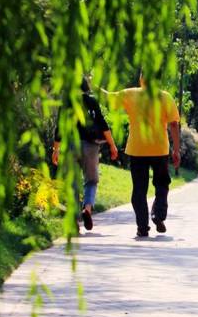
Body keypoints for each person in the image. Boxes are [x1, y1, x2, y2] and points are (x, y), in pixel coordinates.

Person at [102, 72, 180, 237]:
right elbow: (174, 124)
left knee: (139, 189)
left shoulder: (131, 94)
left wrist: (91, 83)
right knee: (162, 184)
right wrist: (177, 150)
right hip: (159, 149)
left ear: (141, 79)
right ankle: (158, 215)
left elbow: (107, 97)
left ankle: (142, 227)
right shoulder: (165, 97)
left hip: (137, 149)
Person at [52, 75, 119, 232]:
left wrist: (56, 150)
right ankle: (87, 209)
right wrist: (112, 145)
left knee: (73, 183)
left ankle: (74, 220)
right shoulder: (92, 101)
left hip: (70, 146)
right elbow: (103, 124)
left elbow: (59, 130)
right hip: (90, 146)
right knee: (91, 180)